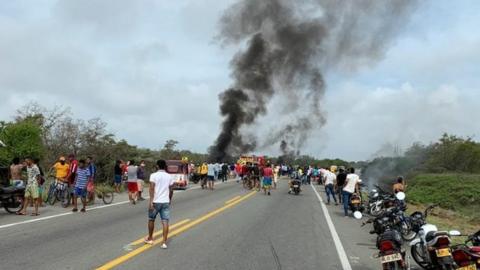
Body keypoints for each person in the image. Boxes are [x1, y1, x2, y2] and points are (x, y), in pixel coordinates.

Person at [145, 160, 175, 248]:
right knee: (165, 221)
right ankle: (164, 242)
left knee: (151, 219)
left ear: (157, 166)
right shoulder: (169, 176)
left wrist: (151, 201)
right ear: (165, 166)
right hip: (165, 201)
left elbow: (151, 188)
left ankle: (150, 238)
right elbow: (171, 190)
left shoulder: (153, 175)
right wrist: (169, 199)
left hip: (155, 201)